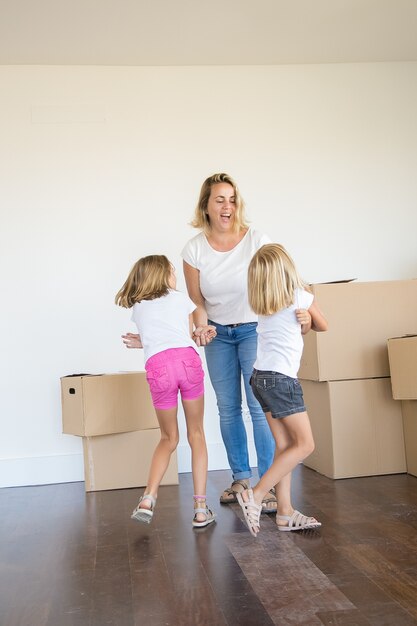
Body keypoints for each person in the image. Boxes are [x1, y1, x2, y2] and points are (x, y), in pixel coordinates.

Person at [181, 172, 278, 512]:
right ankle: (240, 478)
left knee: (257, 406)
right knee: (227, 408)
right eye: (220, 199)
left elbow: (276, 279)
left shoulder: (256, 240)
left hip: (253, 328)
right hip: (219, 335)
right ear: (206, 206)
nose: (228, 206)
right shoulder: (194, 249)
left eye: (232, 199)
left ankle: (267, 484)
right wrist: (202, 328)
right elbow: (197, 301)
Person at [115, 254, 216, 528]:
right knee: (196, 434)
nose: (175, 276)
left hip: (158, 366)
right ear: (162, 275)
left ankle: (148, 498)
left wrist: (146, 343)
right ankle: (200, 509)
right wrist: (203, 331)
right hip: (187, 361)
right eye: (172, 271)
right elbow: (190, 329)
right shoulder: (179, 297)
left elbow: (156, 335)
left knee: (168, 438)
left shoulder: (138, 307)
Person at [236, 243, 328, 537]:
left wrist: (304, 323)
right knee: (305, 445)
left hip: (260, 378)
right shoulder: (300, 295)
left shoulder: (263, 304)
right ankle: (257, 493)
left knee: (285, 446)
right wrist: (311, 319)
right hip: (282, 381)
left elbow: (291, 329)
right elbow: (324, 325)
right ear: (288, 269)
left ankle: (285, 513)